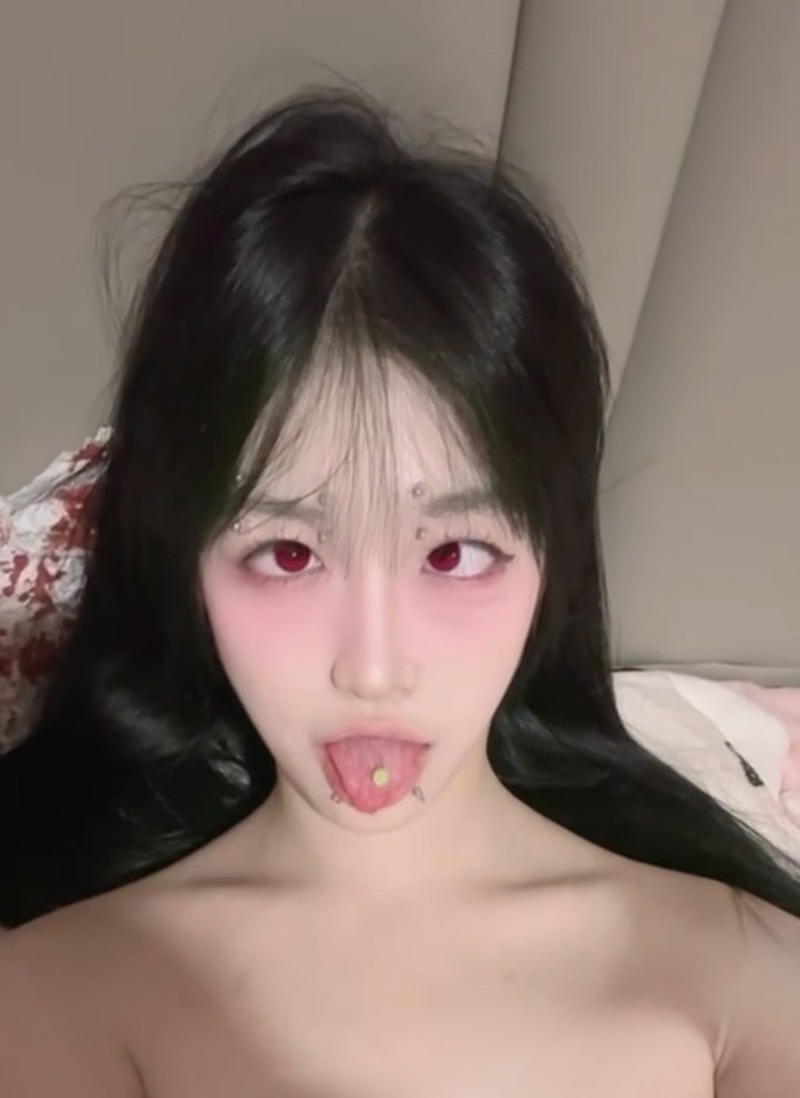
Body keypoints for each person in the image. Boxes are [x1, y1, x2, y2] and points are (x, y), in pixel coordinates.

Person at [0, 85, 799, 1097]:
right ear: (184, 559)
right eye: (288, 555)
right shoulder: (65, 988)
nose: (372, 669)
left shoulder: (738, 969)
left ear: (549, 559)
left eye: (454, 554)